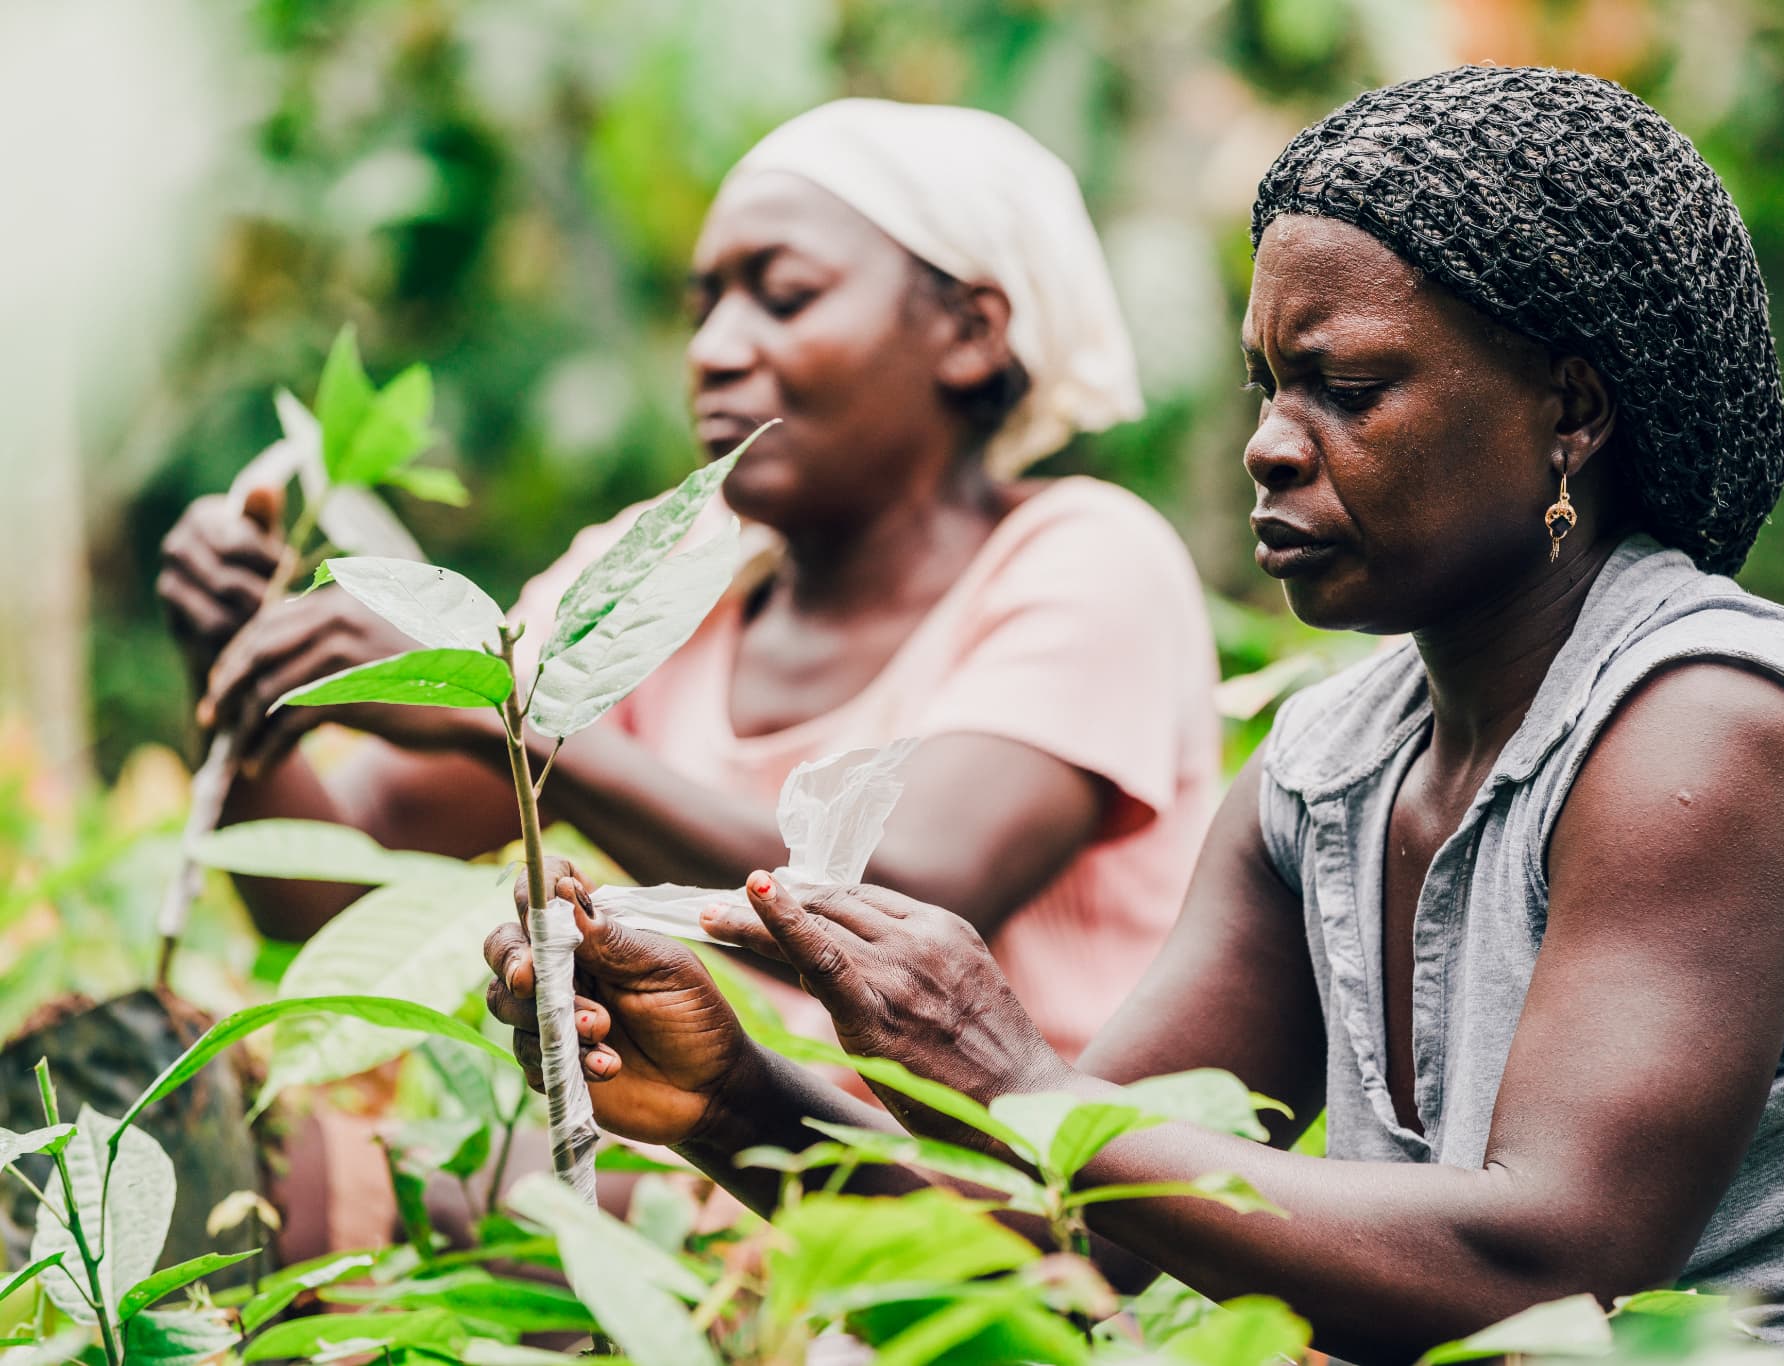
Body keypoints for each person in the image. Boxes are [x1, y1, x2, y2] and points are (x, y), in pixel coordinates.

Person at [483, 66, 1784, 1364]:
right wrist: (734, 1097)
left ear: (1571, 413)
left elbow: (1553, 1263)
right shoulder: (1329, 774)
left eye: (1348, 388)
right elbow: (1074, 1229)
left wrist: (1020, 1073)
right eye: (1264, 388)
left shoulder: (1706, 729)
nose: (1274, 450)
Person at [158, 99, 1220, 1062]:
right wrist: (233, 659)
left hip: (1004, 1225)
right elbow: (328, 890)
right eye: (702, 305)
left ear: (970, 333)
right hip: (710, 1194)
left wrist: (497, 718)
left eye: (783, 296)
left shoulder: (1085, 558)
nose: (714, 348)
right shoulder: (663, 566)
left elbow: (911, 899)